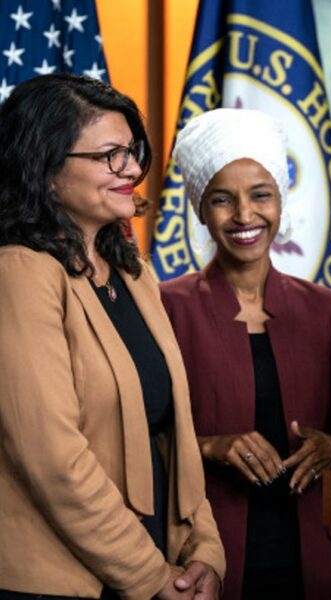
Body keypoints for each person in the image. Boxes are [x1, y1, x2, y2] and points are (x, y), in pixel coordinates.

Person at [0, 74, 225, 599]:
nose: (131, 169)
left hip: (155, 568)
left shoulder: (135, 275)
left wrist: (205, 555)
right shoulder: (19, 273)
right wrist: (149, 576)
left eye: (133, 151)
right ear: (45, 164)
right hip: (58, 584)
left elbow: (175, 437)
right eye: (110, 155)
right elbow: (53, 460)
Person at [161, 108, 331, 599]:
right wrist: (211, 446)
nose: (245, 215)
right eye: (222, 200)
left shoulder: (327, 309)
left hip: (315, 558)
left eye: (260, 195)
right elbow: (141, 442)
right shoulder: (165, 307)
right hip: (209, 559)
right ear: (200, 210)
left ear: (280, 200)